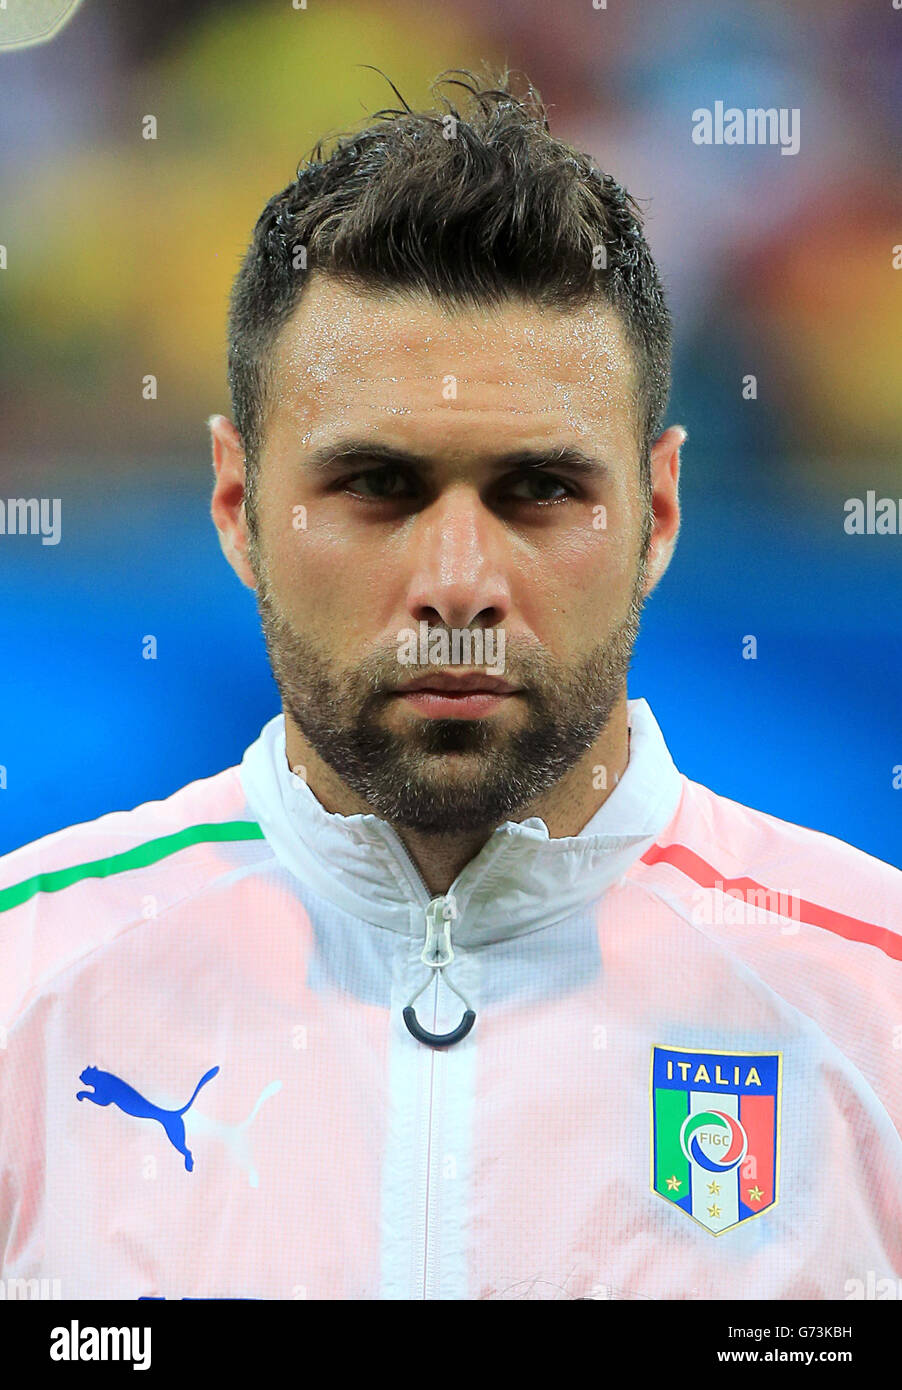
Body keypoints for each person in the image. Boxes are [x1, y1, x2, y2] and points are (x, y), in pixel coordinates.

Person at [1, 71, 899, 1301]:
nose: (458, 583)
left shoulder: (874, 1011)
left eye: (537, 490)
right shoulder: (26, 989)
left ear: (660, 511)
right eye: (376, 486)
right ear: (236, 506)